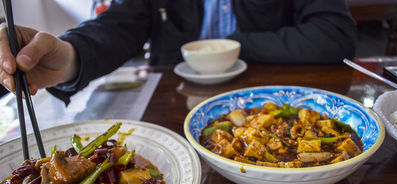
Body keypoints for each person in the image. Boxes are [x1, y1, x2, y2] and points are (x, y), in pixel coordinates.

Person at [0, 0, 356, 104]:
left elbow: (334, 34)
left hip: (272, 98)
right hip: (175, 106)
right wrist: (70, 54)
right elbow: (119, 24)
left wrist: (232, 47)